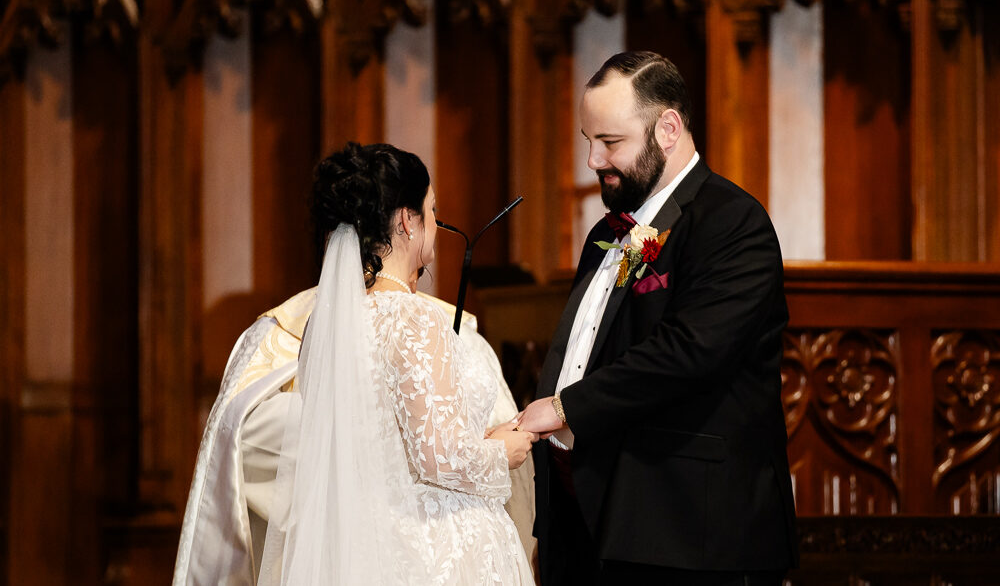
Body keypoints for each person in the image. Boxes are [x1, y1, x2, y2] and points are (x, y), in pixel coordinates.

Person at [172, 143, 536, 585]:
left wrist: (475, 438)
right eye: (433, 212)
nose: (438, 227)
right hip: (437, 548)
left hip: (370, 544)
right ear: (407, 220)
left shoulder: (326, 324)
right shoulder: (417, 315)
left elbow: (381, 442)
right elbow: (439, 460)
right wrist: (505, 452)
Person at [517, 51, 798, 585]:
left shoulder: (733, 222)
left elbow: (690, 352)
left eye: (610, 142)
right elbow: (585, 345)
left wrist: (562, 407)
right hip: (595, 518)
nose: (594, 160)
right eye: (588, 141)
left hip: (690, 529)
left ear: (667, 127)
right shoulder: (610, 232)